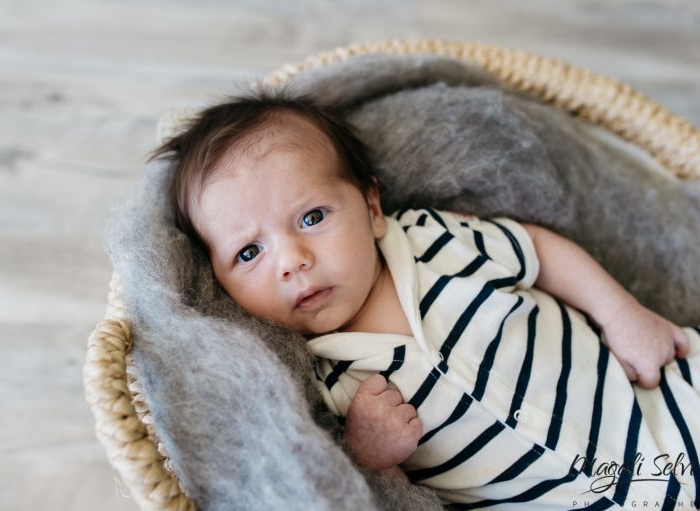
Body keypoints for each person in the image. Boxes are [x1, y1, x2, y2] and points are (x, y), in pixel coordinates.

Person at [153, 92, 700, 509]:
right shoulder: (322, 381)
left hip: (667, 408)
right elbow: (350, 486)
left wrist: (621, 312)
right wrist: (370, 455)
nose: (291, 260)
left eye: (312, 218)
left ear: (371, 208)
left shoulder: (428, 241)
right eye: (249, 253)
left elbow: (536, 250)